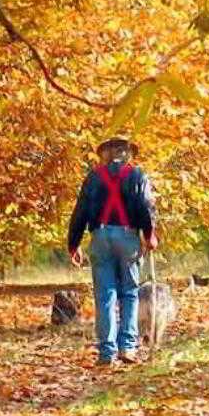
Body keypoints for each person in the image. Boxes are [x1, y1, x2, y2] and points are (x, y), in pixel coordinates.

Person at [67, 137, 158, 365]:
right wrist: (149, 235)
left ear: (104, 155)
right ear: (128, 154)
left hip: (99, 236)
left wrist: (73, 243)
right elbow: (146, 206)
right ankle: (127, 348)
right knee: (129, 292)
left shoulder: (93, 177)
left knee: (105, 295)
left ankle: (107, 353)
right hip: (128, 237)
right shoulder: (137, 175)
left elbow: (80, 212)